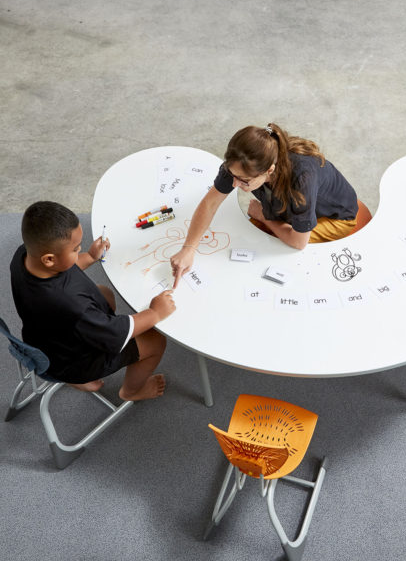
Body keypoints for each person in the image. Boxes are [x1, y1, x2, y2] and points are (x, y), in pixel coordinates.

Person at [10, 201, 176, 400]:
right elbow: (115, 333)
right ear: (49, 259)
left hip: (44, 339)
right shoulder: (71, 306)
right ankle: (131, 391)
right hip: (72, 360)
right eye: (75, 249)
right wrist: (155, 313)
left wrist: (88, 256)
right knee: (155, 341)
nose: (78, 250)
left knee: (104, 293)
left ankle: (77, 374)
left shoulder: (24, 255)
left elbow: (65, 268)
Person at [170, 123, 359, 286]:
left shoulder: (302, 180)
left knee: (272, 252)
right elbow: (210, 203)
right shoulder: (239, 166)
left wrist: (263, 217)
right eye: (232, 176)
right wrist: (188, 249)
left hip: (335, 218)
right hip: (289, 212)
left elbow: (299, 242)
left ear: (269, 170)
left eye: (244, 181)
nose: (235, 184)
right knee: (251, 242)